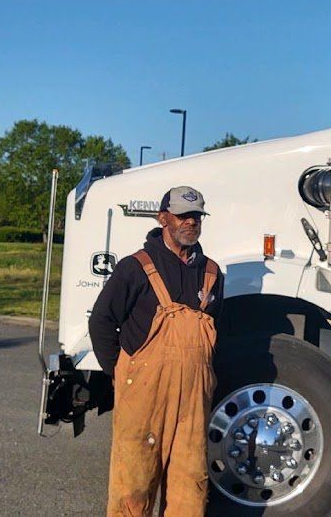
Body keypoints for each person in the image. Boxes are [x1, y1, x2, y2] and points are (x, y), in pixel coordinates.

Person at [89, 185, 224, 516]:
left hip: (193, 395)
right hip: (145, 391)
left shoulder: (212, 273)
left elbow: (216, 329)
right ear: (163, 217)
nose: (190, 223)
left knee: (190, 483)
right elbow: (102, 322)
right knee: (134, 481)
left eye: (196, 216)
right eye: (182, 216)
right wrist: (121, 371)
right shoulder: (135, 267)